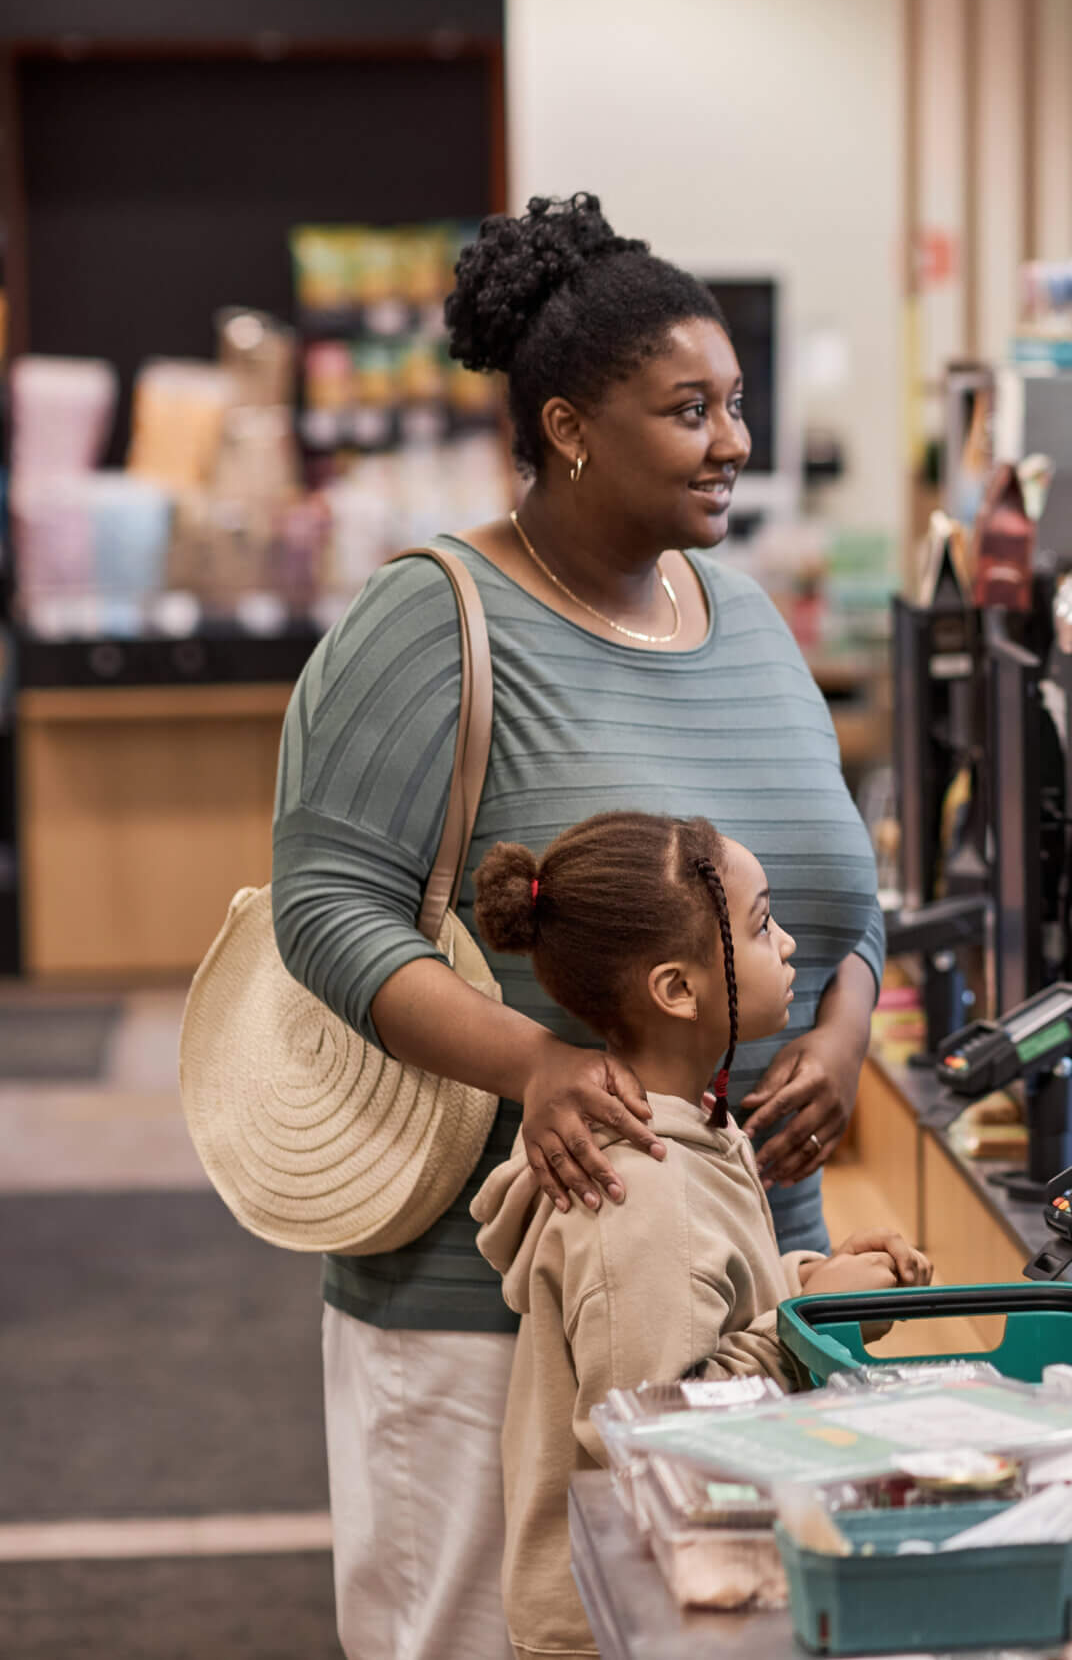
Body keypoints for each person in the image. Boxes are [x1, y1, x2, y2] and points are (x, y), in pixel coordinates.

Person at [271, 193, 887, 1660]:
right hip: (478, 1304)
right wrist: (530, 1066)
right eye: (689, 409)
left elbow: (846, 896)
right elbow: (322, 905)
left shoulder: (747, 621)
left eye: (734, 403)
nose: (733, 439)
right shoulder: (434, 618)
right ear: (566, 426)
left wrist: (846, 1027)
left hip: (742, 1273)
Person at [468, 813, 931, 1659]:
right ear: (678, 990)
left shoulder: (692, 1134)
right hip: (632, 1623)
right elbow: (662, 1431)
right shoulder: (641, 1192)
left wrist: (815, 1277)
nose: (788, 945)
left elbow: (710, 1303)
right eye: (761, 926)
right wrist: (811, 1325)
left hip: (684, 1593)